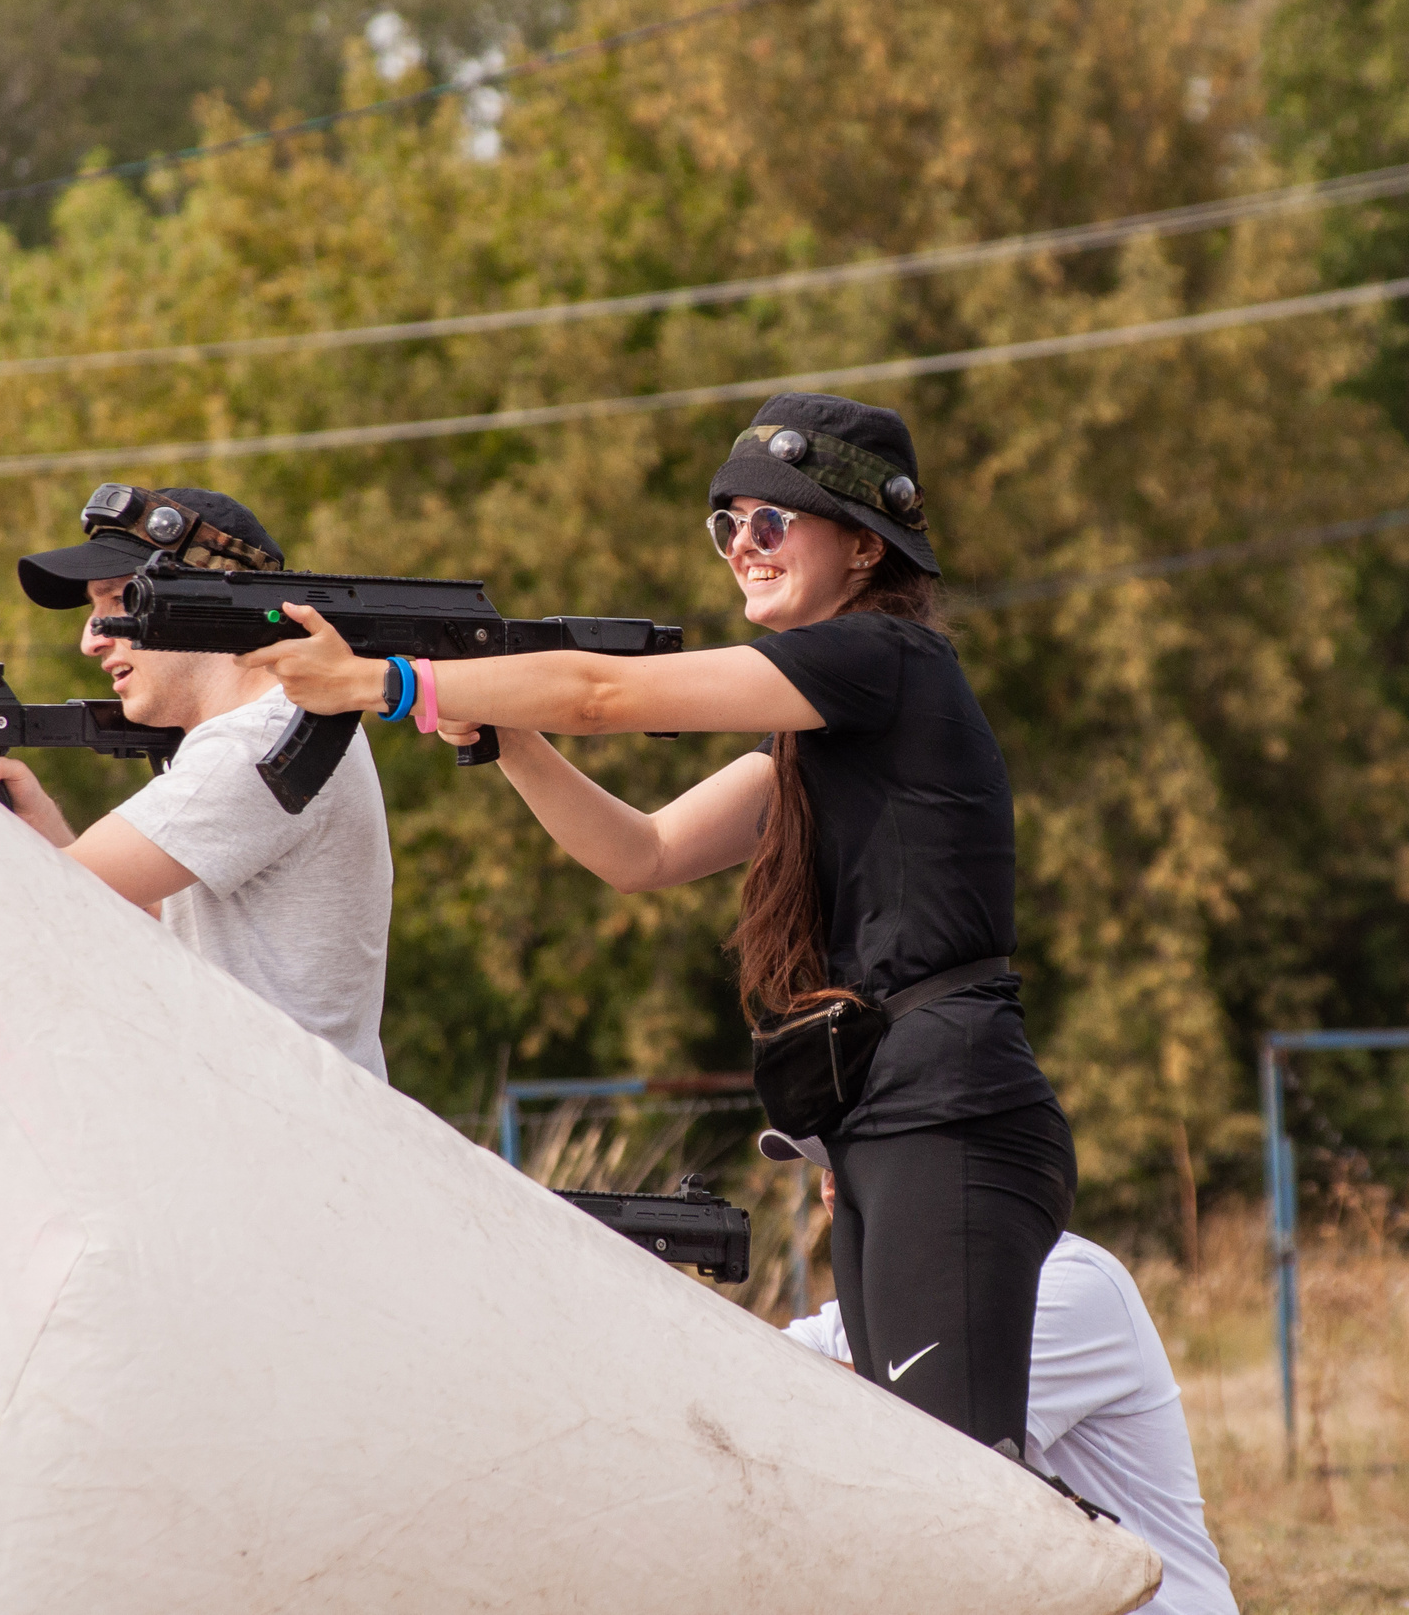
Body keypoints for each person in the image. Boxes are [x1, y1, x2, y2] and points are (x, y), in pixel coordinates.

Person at [244, 392, 1075, 1447]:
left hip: (947, 1112)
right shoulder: (827, 732)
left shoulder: (883, 658)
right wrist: (507, 738)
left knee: (962, 1477)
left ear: (867, 548)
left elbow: (601, 693)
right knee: (926, 1469)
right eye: (727, 524)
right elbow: (640, 855)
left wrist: (385, 680)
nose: (742, 546)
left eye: (772, 520)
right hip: (889, 1119)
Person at [0, 483, 394, 1081]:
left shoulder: (254, 743)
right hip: (286, 1120)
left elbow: (48, 902)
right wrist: (42, 827)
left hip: (280, 1124)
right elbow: (157, 928)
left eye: (120, 597)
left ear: (209, 601)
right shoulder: (271, 729)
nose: (91, 638)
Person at [769, 1136, 1238, 1615]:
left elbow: (924, 1431)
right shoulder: (884, 1297)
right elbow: (764, 1374)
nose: (831, 1190)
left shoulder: (1065, 1280)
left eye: (851, 1166)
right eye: (827, 1170)